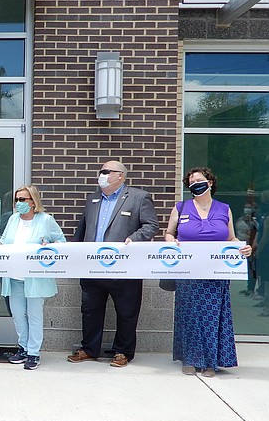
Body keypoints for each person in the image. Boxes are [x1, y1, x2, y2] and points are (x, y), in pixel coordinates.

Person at [68, 161, 158, 368]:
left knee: (126, 311)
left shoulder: (138, 197)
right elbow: (82, 230)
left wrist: (134, 238)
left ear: (121, 176)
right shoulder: (93, 199)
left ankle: (123, 352)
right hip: (92, 267)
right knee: (90, 310)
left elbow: (151, 225)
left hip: (124, 268)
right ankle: (89, 349)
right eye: (101, 171)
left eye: (107, 172)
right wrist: (75, 253)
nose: (102, 175)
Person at [165, 167, 252, 377]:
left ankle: (211, 362)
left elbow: (230, 238)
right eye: (191, 181)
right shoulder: (181, 207)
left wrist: (242, 246)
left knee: (213, 316)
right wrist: (171, 241)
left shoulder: (224, 209)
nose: (195, 184)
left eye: (199, 180)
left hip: (215, 273)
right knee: (190, 315)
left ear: (210, 183)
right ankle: (190, 359)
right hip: (188, 273)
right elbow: (168, 233)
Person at [0, 185, 66, 370]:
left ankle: (33, 352)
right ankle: (23, 347)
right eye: (17, 199)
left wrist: (48, 245)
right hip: (14, 276)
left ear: (33, 201)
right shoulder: (13, 219)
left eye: (22, 200)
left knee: (34, 315)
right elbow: (6, 239)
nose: (18, 203)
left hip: (34, 278)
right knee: (17, 314)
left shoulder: (46, 220)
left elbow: (61, 241)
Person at [235, 203, 257, 297]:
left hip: (250, 246)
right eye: (246, 207)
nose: (247, 209)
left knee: (252, 268)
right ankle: (248, 288)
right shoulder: (240, 220)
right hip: (239, 246)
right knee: (247, 269)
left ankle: (251, 288)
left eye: (249, 208)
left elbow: (255, 233)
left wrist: (253, 246)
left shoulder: (254, 222)